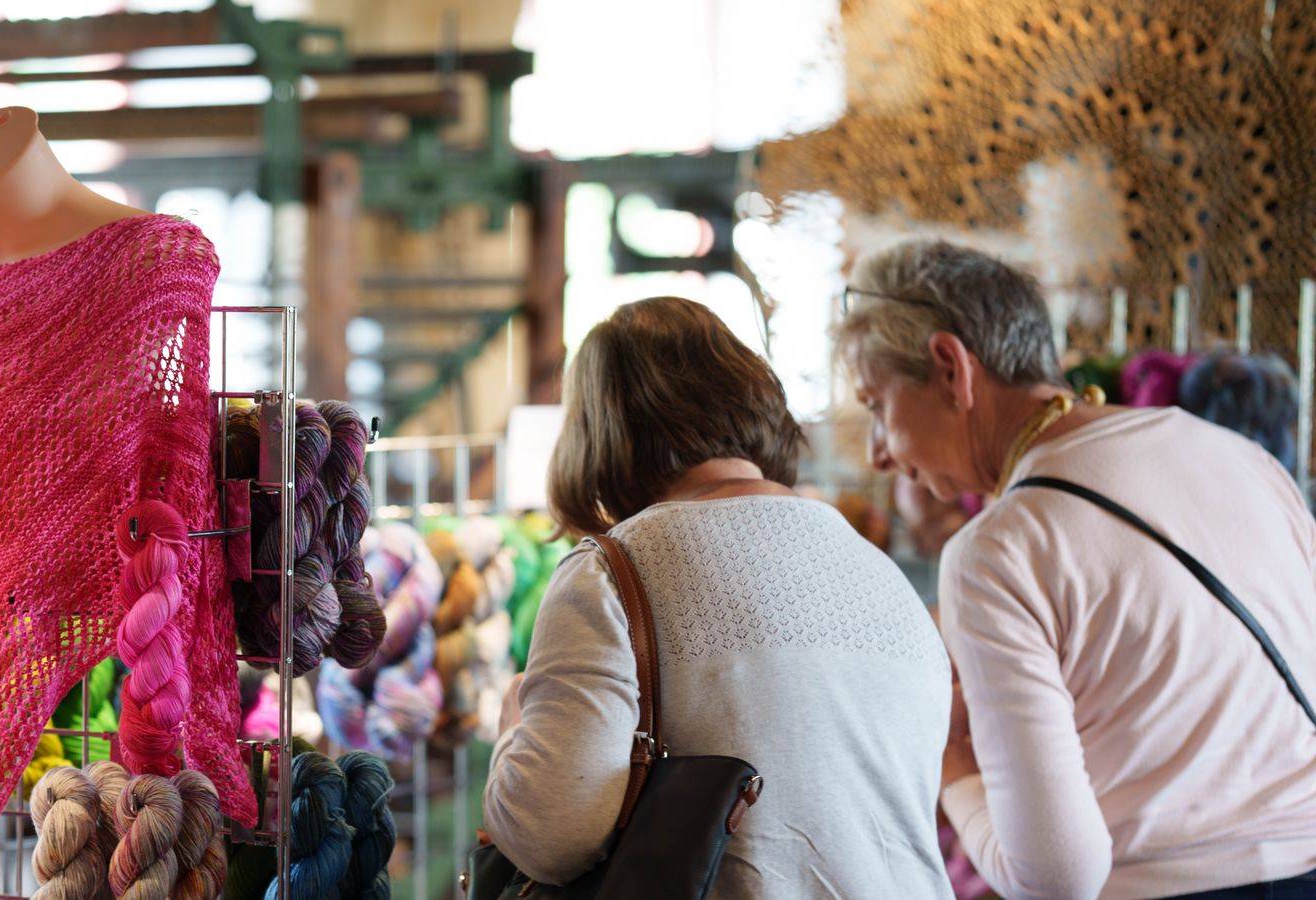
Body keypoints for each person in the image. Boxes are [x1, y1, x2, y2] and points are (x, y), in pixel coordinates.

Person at [839, 238, 1316, 899]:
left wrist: (950, 762)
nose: (878, 453)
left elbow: (1054, 879)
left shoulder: (996, 551)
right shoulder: (1243, 459)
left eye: (875, 406)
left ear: (951, 368)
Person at [483, 296, 954, 898]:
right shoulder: (882, 573)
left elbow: (551, 833)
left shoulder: (614, 569)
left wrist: (511, 731)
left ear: (603, 431)